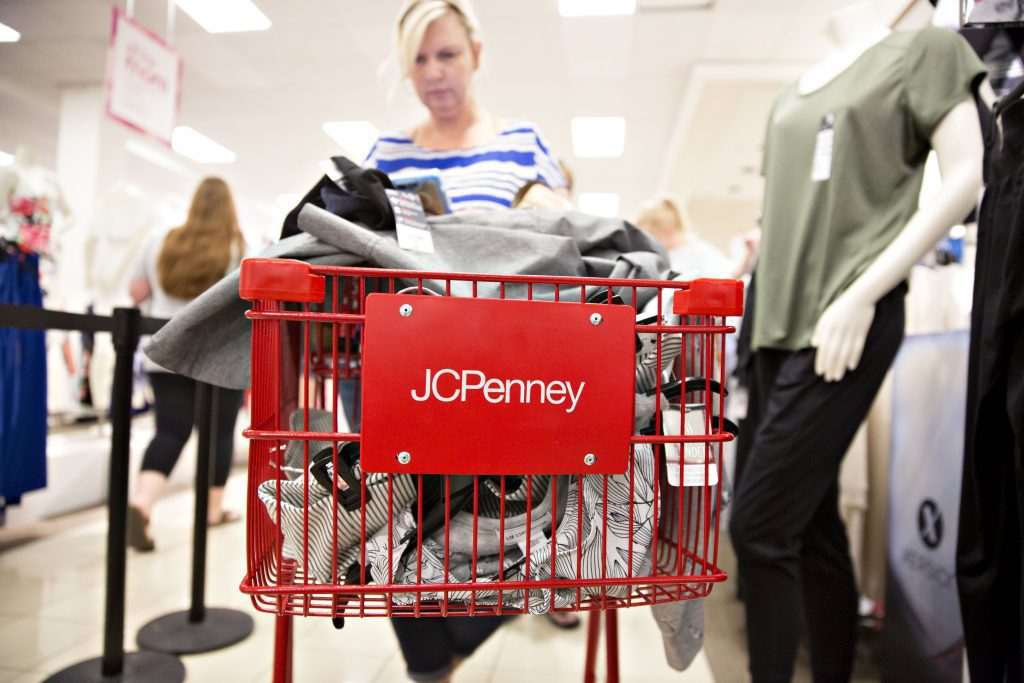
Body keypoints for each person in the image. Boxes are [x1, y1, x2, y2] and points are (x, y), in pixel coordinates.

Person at [727, 2, 986, 681]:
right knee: (810, 523)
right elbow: (779, 215)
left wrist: (864, 292)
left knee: (758, 526)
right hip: (772, 325)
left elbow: (968, 175)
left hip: (845, 318)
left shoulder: (927, 49)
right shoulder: (797, 86)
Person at [359, 1, 574, 680]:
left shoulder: (522, 142)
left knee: (497, 525)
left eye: (446, 54)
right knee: (402, 524)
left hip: (499, 371)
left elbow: (566, 237)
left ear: (476, 52)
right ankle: (432, 666)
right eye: (418, 60)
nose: (433, 73)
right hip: (403, 365)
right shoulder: (386, 152)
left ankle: (469, 631)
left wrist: (543, 207)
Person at [126, 177, 247, 553]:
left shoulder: (160, 239)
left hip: (166, 349)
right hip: (217, 354)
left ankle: (143, 503)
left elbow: (136, 291)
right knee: (219, 433)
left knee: (170, 431)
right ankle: (212, 510)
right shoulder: (236, 245)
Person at [633, 196, 753, 280]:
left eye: (651, 235)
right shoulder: (660, 256)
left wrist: (748, 256)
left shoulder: (697, 251)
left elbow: (729, 274)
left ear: (667, 231)